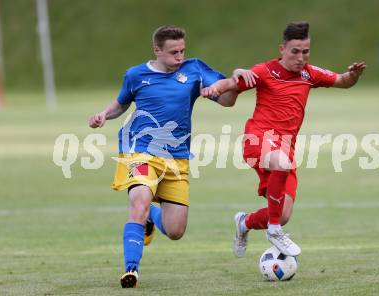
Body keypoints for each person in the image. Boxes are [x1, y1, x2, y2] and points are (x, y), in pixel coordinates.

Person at [88, 25, 255, 288]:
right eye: (173, 52)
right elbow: (121, 102)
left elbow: (227, 101)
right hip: (139, 150)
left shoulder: (194, 70)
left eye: (182, 51)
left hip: (177, 156)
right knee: (139, 201)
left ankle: (152, 218)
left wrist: (235, 84)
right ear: (156, 50)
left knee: (175, 230)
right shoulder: (135, 75)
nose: (179, 57)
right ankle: (131, 270)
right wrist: (103, 115)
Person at [201, 21, 366, 258]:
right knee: (280, 169)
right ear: (282, 49)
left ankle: (244, 223)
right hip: (258, 139)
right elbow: (228, 84)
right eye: (295, 52)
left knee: (282, 212)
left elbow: (342, 81)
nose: (301, 57)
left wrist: (353, 75)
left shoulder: (310, 74)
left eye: (306, 52)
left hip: (285, 149)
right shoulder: (264, 72)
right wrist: (213, 89)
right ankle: (275, 231)